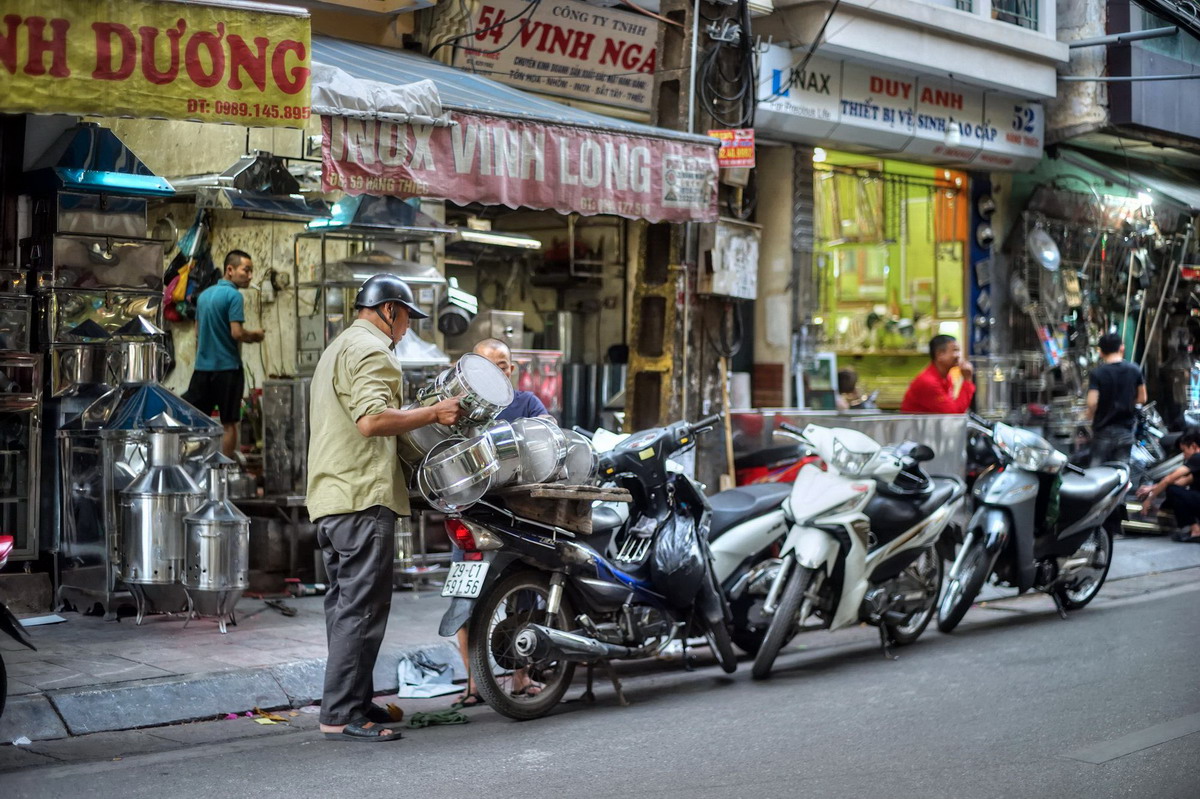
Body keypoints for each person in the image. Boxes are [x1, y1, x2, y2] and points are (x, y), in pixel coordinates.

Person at [306, 274, 463, 743]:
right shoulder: (373, 350)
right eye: (406, 320)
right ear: (390, 311)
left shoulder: (340, 346)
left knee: (345, 607)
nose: (406, 330)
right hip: (361, 497)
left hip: (334, 497)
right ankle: (340, 715)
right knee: (362, 610)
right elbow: (372, 420)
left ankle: (353, 701)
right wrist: (434, 413)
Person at [451, 337, 550, 709]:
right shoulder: (458, 410)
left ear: (511, 369)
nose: (497, 371)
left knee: (522, 594)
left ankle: (520, 676)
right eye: (487, 365)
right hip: (470, 515)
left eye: (503, 364)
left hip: (515, 515)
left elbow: (549, 435)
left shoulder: (526, 404)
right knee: (463, 599)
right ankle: (474, 682)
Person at [182, 250, 264, 458]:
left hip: (201, 370)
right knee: (229, 424)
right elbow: (236, 332)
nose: (250, 275)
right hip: (228, 369)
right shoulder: (234, 296)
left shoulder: (204, 296)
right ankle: (223, 473)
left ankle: (197, 469)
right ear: (230, 270)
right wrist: (254, 336)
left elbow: (197, 333)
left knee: (198, 422)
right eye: (246, 270)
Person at [1086, 333, 1147, 466]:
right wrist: (1127, 402)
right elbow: (1142, 398)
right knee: (1121, 471)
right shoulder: (1134, 369)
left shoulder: (1097, 373)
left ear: (1101, 352)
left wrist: (1090, 414)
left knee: (1096, 472)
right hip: (1125, 430)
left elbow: (1092, 402)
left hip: (1103, 431)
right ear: (1122, 348)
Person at [1138, 430, 1200, 543]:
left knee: (1172, 491)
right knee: (1173, 491)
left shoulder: (1197, 458)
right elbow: (1182, 481)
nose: (1184, 456)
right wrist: (1152, 488)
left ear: (1194, 446)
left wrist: (1149, 499)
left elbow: (1169, 479)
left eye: (1184, 451)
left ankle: (1196, 531)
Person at [473, 337, 549, 422]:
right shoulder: (461, 404)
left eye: (502, 368)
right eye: (486, 367)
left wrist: (548, 422)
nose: (495, 374)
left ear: (511, 369)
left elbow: (548, 428)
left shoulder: (528, 403)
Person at [899, 335, 975, 414]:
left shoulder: (946, 377)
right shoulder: (928, 382)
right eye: (955, 350)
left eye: (959, 351)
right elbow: (953, 413)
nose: (959, 355)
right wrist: (967, 380)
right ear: (940, 354)